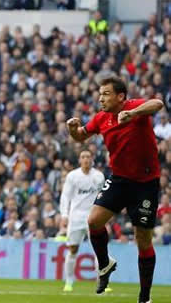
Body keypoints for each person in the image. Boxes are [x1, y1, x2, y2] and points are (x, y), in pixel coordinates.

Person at [66, 75, 163, 303]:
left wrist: (133, 114)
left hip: (145, 184)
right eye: (100, 94)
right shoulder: (101, 119)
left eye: (106, 94)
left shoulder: (133, 108)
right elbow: (81, 136)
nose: (101, 98)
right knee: (93, 221)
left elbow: (157, 103)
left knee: (143, 240)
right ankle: (104, 264)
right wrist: (72, 129)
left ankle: (144, 297)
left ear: (120, 97)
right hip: (120, 180)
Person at [59, 150, 105, 292]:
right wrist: (64, 215)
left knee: (99, 250)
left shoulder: (98, 176)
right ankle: (69, 281)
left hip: (93, 217)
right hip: (76, 217)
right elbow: (66, 196)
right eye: (83, 157)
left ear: (92, 159)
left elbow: (103, 197)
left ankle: (101, 282)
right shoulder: (73, 176)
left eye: (88, 157)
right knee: (73, 249)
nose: (86, 159)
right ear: (80, 160)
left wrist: (104, 215)